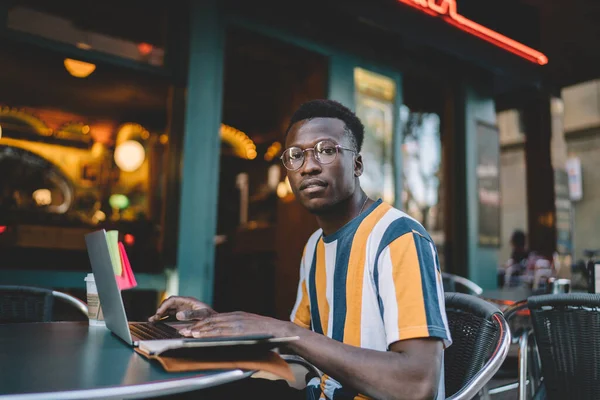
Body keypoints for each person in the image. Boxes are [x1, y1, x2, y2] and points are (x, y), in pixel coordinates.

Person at [150, 99, 452, 400]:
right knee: (185, 387)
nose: (308, 166)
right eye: (295, 155)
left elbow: (416, 386)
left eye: (326, 150)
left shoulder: (398, 237)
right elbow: (298, 350)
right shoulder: (315, 246)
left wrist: (282, 331)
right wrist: (215, 324)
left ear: (357, 164)